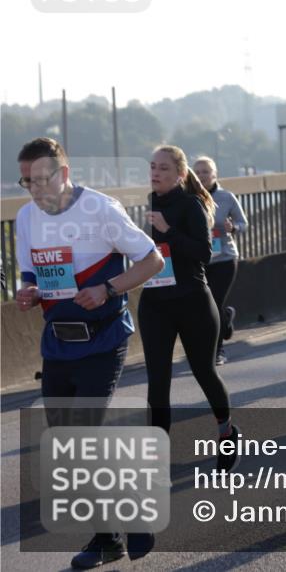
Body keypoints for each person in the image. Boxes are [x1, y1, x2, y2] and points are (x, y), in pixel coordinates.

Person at [15, 138, 163, 568]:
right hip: (57, 341)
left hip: (104, 338)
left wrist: (108, 288)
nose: (36, 190)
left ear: (64, 173)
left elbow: (151, 260)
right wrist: (27, 291)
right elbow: (32, 272)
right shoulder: (27, 216)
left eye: (42, 179)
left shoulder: (101, 208)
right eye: (27, 182)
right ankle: (107, 540)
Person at [139, 145, 241, 466]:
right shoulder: (151, 201)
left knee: (204, 372)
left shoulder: (192, 204)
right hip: (155, 302)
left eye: (163, 168)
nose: (155, 173)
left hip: (192, 300)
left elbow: (203, 253)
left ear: (180, 174)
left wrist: (169, 232)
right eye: (153, 167)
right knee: (157, 381)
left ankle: (226, 432)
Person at [193, 156, 248, 366]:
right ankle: (226, 317)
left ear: (214, 174)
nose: (201, 176)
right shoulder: (190, 198)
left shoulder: (227, 197)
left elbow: (244, 224)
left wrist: (232, 227)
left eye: (206, 172)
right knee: (207, 307)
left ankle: (218, 351)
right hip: (201, 261)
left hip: (225, 258)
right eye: (197, 172)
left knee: (213, 304)